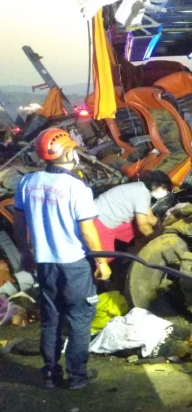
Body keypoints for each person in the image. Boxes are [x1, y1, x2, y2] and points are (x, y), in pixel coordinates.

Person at [12, 128, 111, 389]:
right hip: (74, 264)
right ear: (67, 152)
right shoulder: (75, 186)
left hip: (45, 263)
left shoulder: (27, 182)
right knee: (79, 317)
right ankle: (77, 376)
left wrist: (25, 252)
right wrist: (102, 262)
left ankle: (49, 375)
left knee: (51, 318)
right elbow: (88, 229)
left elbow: (19, 221)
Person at [93, 171, 172, 257]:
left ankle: (129, 250)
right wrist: (161, 242)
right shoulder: (142, 194)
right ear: (156, 185)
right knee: (106, 257)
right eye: (165, 190)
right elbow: (143, 227)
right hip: (101, 220)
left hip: (105, 214)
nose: (165, 193)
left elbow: (150, 217)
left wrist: (163, 227)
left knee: (135, 231)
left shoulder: (140, 187)